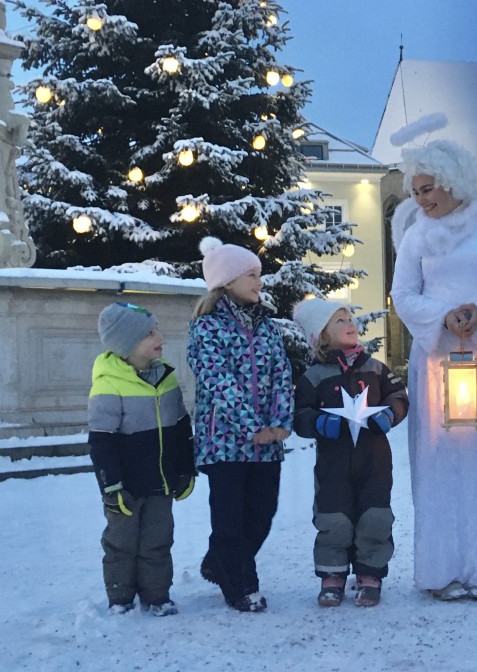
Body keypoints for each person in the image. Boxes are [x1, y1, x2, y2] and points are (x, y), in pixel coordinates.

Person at [390, 139, 477, 600]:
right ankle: (443, 570)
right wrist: (445, 315)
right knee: (440, 464)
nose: (421, 199)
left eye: (428, 189)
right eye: (415, 192)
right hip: (436, 366)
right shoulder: (415, 236)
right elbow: (404, 296)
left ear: (453, 183)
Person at [187, 236, 293, 613]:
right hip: (225, 444)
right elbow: (218, 383)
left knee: (261, 515)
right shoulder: (206, 329)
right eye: (251, 275)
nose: (258, 282)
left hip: (268, 443)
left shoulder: (266, 327)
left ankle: (220, 563)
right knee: (230, 519)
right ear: (227, 281)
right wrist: (251, 427)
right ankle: (242, 586)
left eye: (258, 275)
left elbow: (282, 374)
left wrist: (279, 422)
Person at [293, 298, 409, 608]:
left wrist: (390, 414)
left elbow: (399, 395)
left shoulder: (375, 368)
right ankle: (332, 574)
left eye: (350, 318)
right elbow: (299, 414)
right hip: (333, 463)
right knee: (334, 517)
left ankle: (370, 572)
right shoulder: (313, 377)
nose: (350, 325)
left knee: (375, 515)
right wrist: (320, 422)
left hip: (374, 461)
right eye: (339, 321)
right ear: (322, 336)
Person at [88, 301, 195, 616]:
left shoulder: (167, 379)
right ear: (126, 345)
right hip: (126, 485)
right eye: (149, 333)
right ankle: (120, 598)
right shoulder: (109, 384)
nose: (158, 336)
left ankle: (157, 594)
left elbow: (181, 428)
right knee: (121, 542)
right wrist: (111, 486)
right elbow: (101, 442)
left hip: (161, 482)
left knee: (158, 540)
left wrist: (186, 469)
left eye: (157, 328)